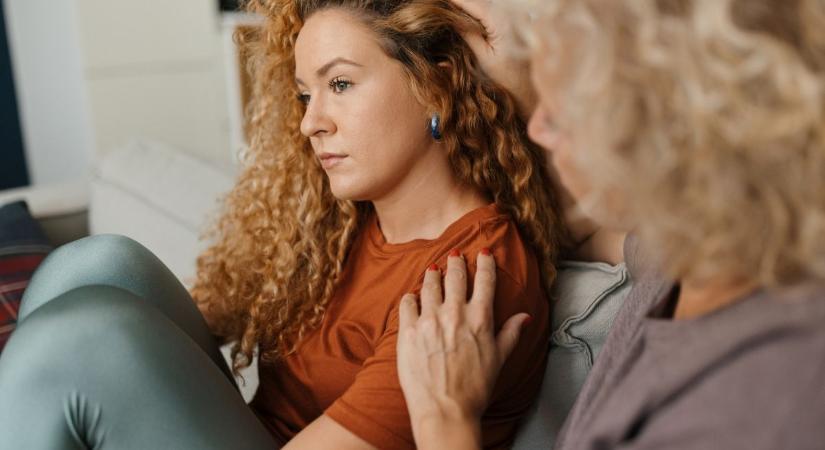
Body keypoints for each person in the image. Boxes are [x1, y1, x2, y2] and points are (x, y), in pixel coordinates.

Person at [0, 0, 565, 448]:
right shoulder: (343, 226)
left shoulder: (471, 274)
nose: (311, 124)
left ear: (434, 86)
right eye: (304, 95)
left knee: (84, 340)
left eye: (340, 84)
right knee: (100, 264)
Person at [397, 0, 825, 449]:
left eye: (563, 114)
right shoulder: (707, 243)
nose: (539, 129)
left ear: (677, 130)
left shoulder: (756, 410)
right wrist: (524, 87)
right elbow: (595, 231)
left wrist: (444, 418)